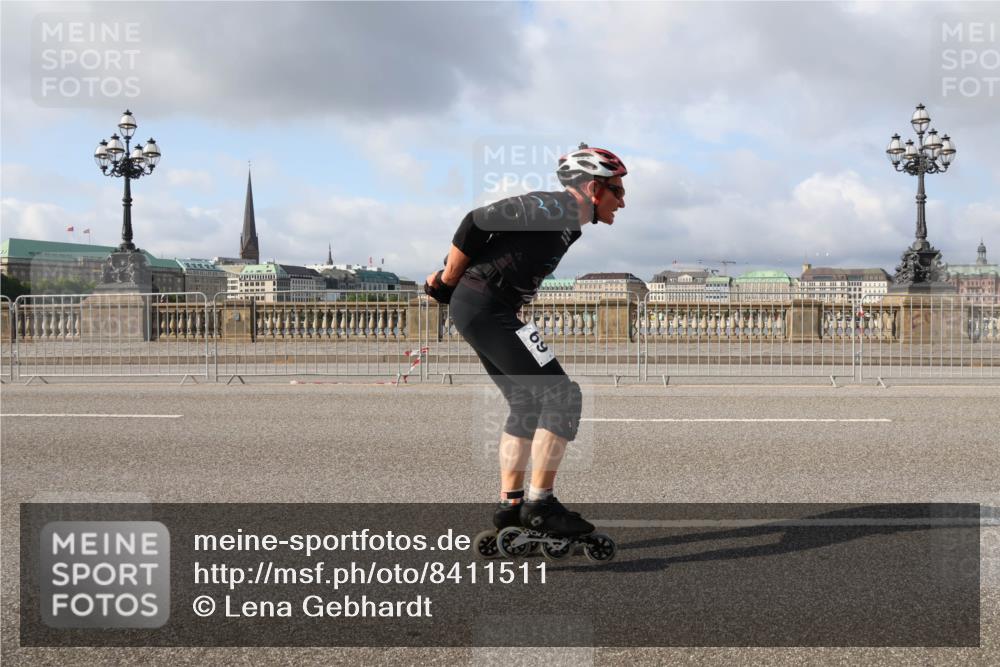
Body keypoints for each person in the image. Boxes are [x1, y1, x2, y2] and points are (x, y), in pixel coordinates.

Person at [424, 143, 627, 547]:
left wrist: (460, 284)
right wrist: (449, 278)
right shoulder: (553, 208)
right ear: (593, 188)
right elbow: (475, 222)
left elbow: (497, 245)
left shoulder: (571, 222)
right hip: (485, 305)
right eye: (617, 190)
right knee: (562, 398)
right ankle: (541, 506)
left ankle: (510, 504)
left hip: (490, 306)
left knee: (528, 403)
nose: (623, 200)